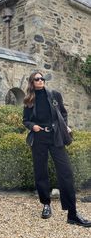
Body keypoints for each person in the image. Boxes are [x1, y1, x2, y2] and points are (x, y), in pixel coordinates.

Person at [23, 71, 91, 227]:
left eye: (42, 78)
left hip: (55, 137)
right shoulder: (29, 100)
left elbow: (63, 113)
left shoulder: (54, 95)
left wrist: (64, 126)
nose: (41, 81)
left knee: (66, 173)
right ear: (32, 82)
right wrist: (33, 126)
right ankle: (46, 204)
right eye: (37, 79)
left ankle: (72, 213)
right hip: (39, 138)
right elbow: (25, 120)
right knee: (41, 172)